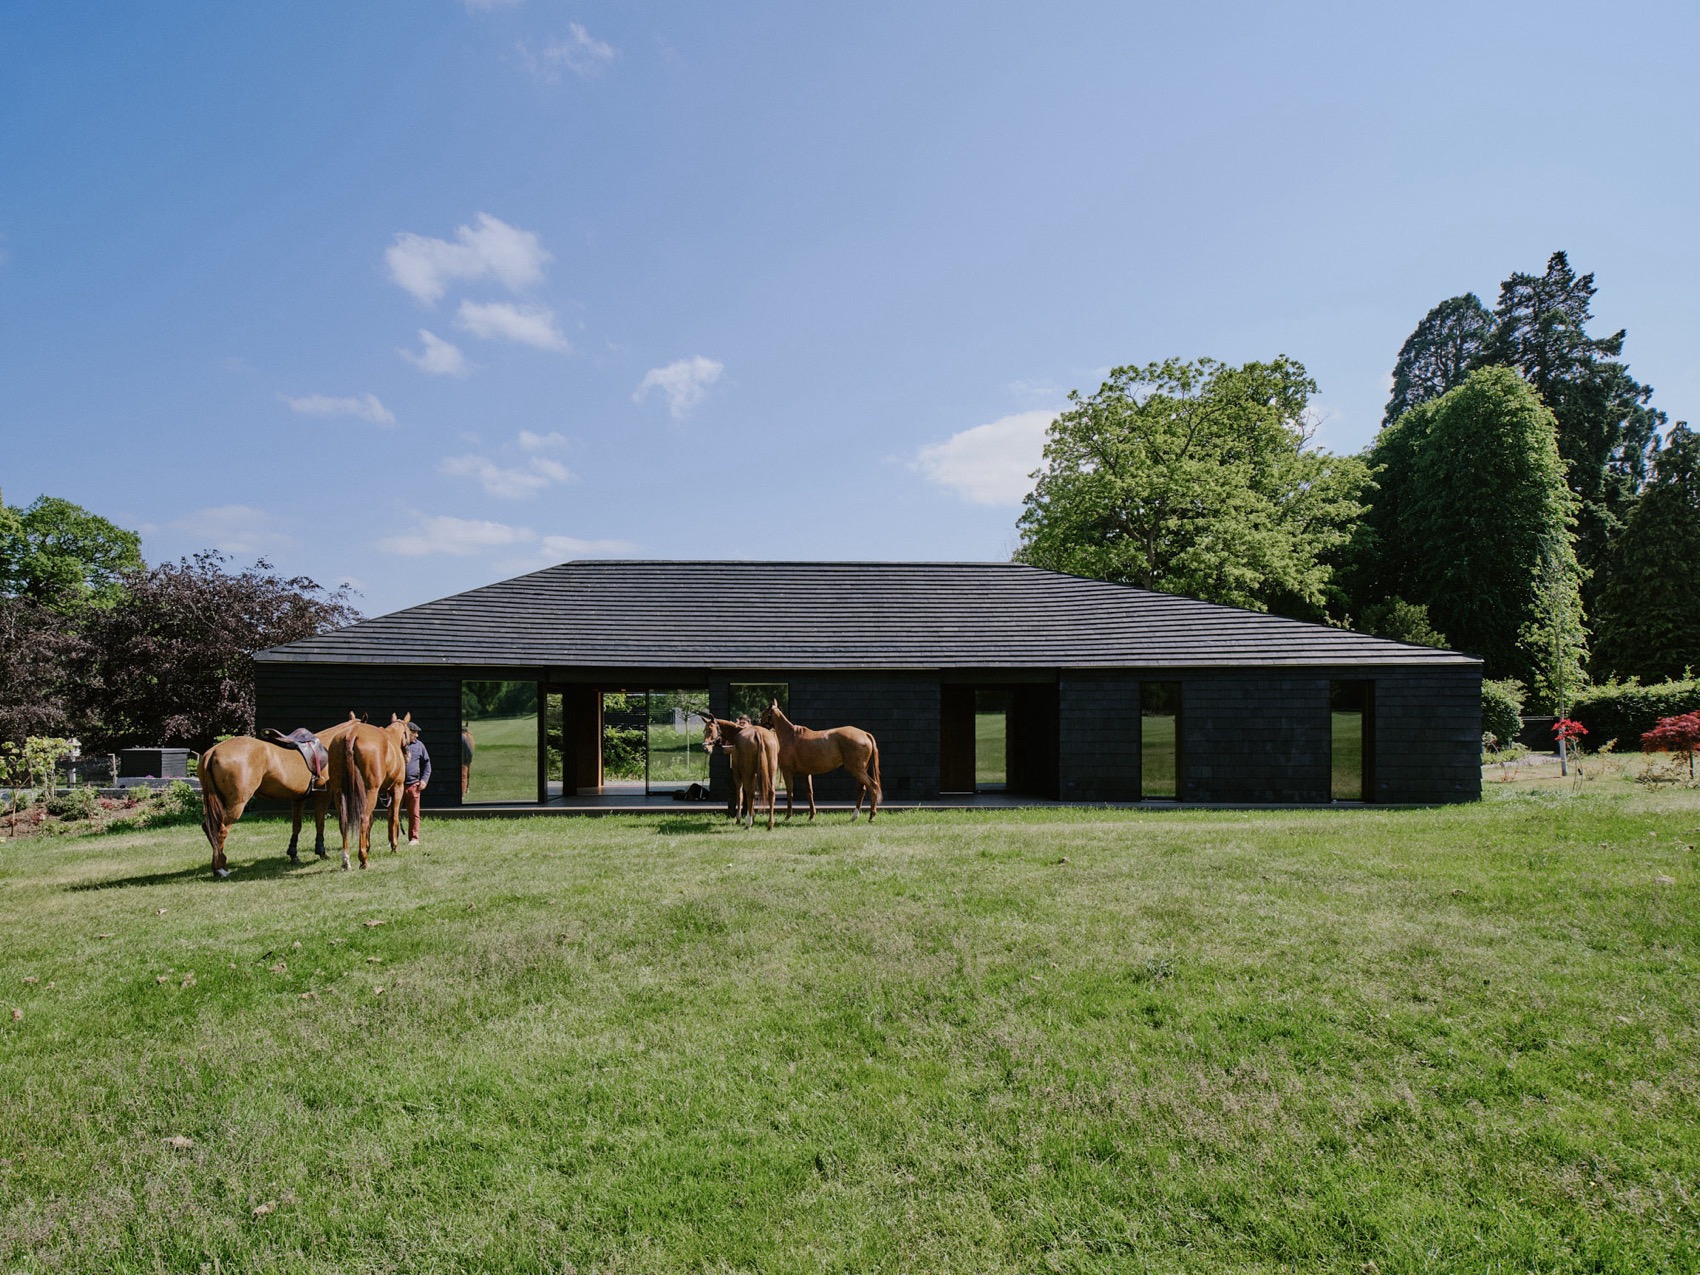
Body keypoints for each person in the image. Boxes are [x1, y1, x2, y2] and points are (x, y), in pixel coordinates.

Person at [403, 722, 432, 846]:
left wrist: (424, 780)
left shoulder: (420, 746)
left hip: (414, 784)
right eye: (414, 733)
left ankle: (414, 838)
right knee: (392, 814)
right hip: (397, 785)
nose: (417, 735)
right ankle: (392, 839)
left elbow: (427, 764)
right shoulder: (398, 745)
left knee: (414, 814)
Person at [460, 726, 475, 798]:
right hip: (464, 762)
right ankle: (462, 793)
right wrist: (468, 761)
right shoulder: (464, 738)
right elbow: (469, 751)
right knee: (463, 777)